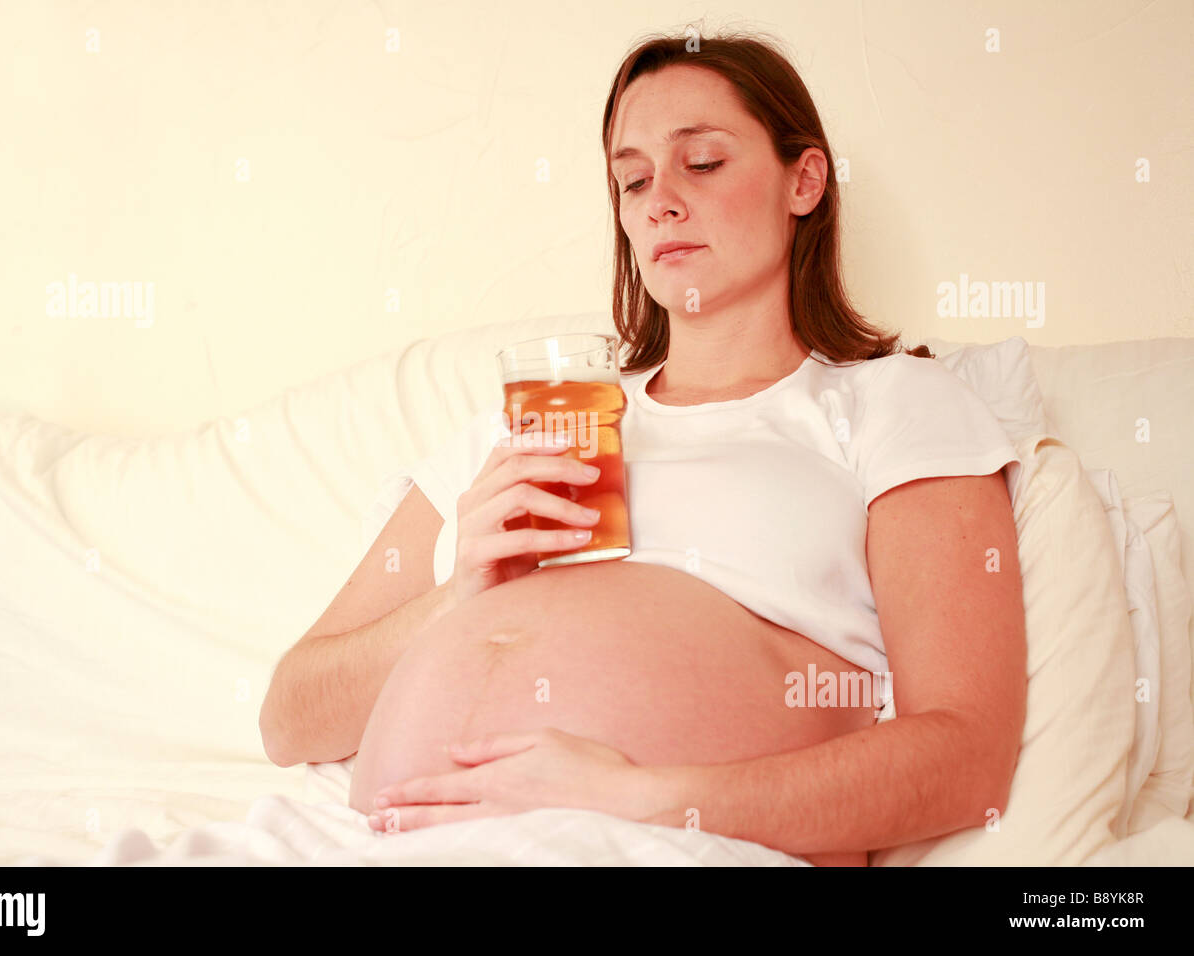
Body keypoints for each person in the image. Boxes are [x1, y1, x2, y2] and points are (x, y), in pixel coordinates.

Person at [259, 28, 1027, 866]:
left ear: (804, 180)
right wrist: (459, 593)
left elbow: (965, 756)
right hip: (376, 844)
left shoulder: (892, 404)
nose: (658, 199)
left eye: (701, 163)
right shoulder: (538, 421)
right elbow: (290, 715)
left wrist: (643, 801)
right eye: (631, 178)